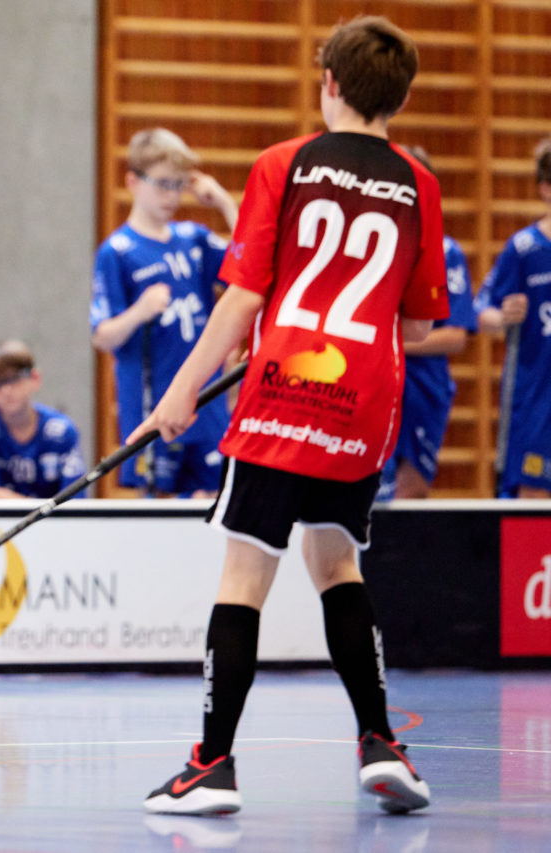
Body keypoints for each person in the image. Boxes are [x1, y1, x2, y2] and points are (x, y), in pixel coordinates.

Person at [130, 17, 448, 815]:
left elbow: (242, 296)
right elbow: (414, 326)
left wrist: (179, 393)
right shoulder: (419, 183)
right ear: (399, 98)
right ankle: (382, 743)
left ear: (329, 84)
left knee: (245, 578)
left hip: (283, 395)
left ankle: (211, 764)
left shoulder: (285, 163)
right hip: (364, 400)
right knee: (338, 565)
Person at [91, 128, 239, 498]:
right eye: (162, 184)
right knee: (159, 506)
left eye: (178, 185)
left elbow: (249, 264)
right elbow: (102, 334)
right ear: (133, 182)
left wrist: (224, 203)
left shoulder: (195, 238)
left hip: (206, 403)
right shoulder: (118, 251)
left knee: (213, 500)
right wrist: (139, 311)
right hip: (153, 402)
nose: (171, 195)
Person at [377, 146, 477, 499]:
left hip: (422, 387)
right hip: (376, 380)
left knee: (410, 489)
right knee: (367, 488)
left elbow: (455, 336)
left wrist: (386, 342)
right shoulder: (375, 243)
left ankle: (396, 556)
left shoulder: (445, 251)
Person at [473, 136, 551, 499]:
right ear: (545, 190)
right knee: (533, 507)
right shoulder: (524, 249)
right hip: (535, 403)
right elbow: (479, 311)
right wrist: (501, 316)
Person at [0, 339, 85, 499]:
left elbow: (75, 498)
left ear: (35, 378)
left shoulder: (62, 430)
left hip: (53, 523)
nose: (7, 390)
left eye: (14, 380)